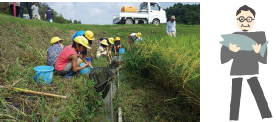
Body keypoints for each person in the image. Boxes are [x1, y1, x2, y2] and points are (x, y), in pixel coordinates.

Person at [219, 4, 272, 121]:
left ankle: (267, 116)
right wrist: (231, 51)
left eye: (249, 19)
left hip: (252, 71)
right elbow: (223, 60)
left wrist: (258, 52)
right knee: (235, 97)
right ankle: (233, 118)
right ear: (236, 20)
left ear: (254, 21)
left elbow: (264, 60)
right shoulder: (231, 37)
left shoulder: (260, 37)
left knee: (258, 95)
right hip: (237, 71)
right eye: (241, 19)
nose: (245, 22)